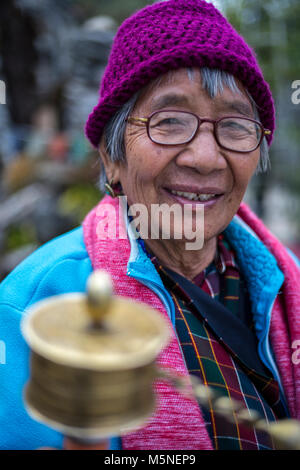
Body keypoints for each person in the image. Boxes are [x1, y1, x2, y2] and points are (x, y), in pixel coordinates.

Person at [0, 0, 299, 451]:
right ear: (111, 156)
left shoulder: (287, 282)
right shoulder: (34, 307)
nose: (204, 158)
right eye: (170, 121)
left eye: (236, 126)